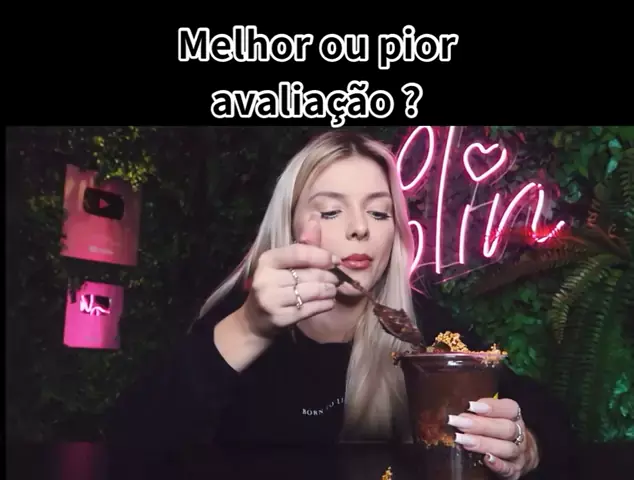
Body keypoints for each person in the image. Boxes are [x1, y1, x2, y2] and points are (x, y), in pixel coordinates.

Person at [105, 131, 575, 479]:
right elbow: (130, 447)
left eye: (378, 211)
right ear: (290, 226)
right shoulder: (236, 317)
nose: (359, 228)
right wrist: (249, 327)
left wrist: (525, 445)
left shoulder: (421, 329)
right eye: (330, 210)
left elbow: (548, 418)